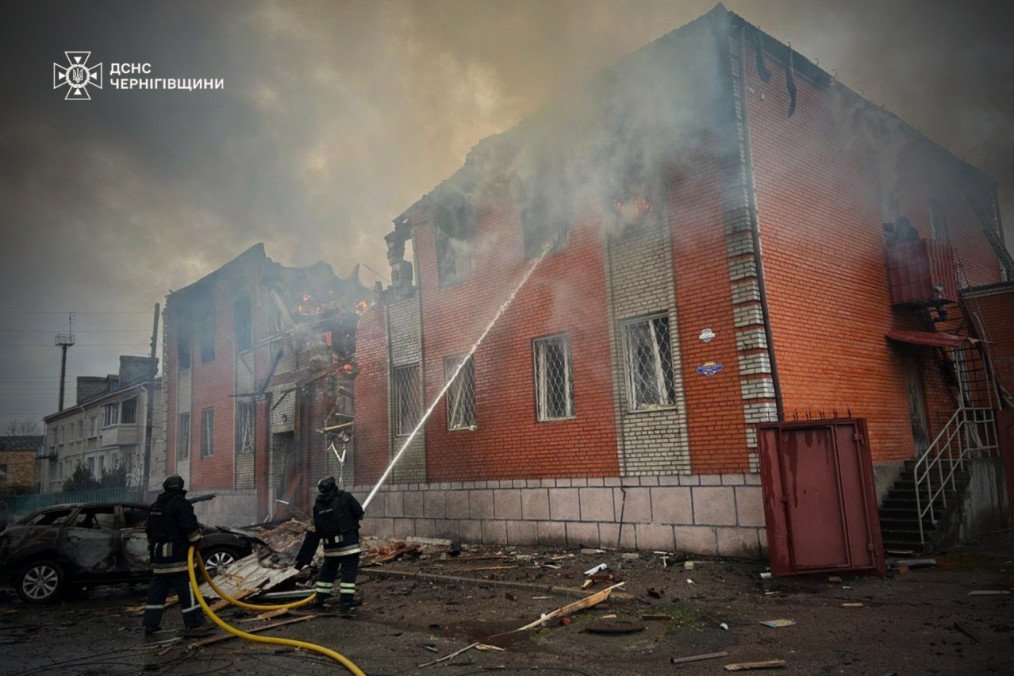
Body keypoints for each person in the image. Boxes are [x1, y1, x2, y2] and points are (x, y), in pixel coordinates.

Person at [142, 475, 212, 638]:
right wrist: (196, 540)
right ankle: (194, 623)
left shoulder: (156, 506)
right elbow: (190, 528)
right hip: (179, 557)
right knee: (187, 590)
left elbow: (149, 530)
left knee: (157, 591)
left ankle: (150, 624)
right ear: (180, 487)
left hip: (159, 557)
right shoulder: (181, 504)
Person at [296, 476, 364, 614]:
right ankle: (346, 602)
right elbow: (359, 513)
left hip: (330, 547)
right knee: (348, 573)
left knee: (327, 572)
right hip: (348, 545)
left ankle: (319, 599)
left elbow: (317, 526)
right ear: (334, 486)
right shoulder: (345, 496)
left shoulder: (318, 504)